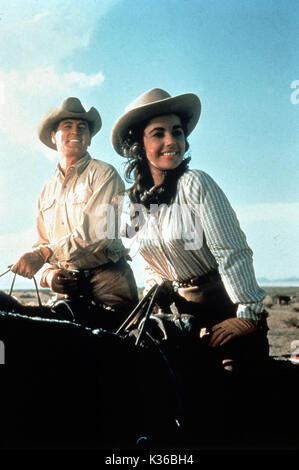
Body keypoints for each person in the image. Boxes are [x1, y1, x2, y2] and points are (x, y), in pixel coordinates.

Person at [111, 88, 269, 372]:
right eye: (158, 133)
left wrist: (246, 314)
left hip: (224, 309)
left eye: (178, 132)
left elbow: (232, 251)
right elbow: (150, 266)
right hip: (180, 316)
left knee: (227, 385)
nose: (171, 141)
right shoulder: (132, 203)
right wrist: (152, 302)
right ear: (139, 145)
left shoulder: (196, 183)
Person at [11, 97, 138, 329]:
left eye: (82, 128)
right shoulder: (46, 190)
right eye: (66, 126)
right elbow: (41, 242)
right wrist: (49, 276)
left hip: (109, 286)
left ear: (89, 138)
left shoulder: (104, 175)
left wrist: (42, 255)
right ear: (54, 137)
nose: (75, 132)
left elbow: (98, 234)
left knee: (117, 353)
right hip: (67, 291)